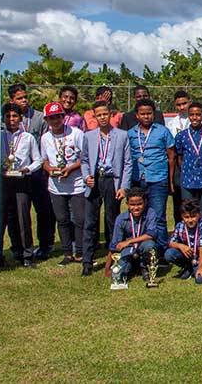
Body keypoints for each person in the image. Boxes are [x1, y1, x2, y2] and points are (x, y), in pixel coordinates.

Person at [80, 100, 132, 277]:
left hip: (112, 181)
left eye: (105, 114)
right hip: (95, 180)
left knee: (113, 222)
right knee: (90, 222)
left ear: (111, 114)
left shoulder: (122, 135)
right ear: (94, 116)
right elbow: (85, 160)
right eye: (98, 114)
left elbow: (127, 163)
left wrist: (124, 187)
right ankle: (87, 261)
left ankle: (115, 259)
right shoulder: (88, 136)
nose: (102, 117)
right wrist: (87, 175)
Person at [0, 104, 43, 270]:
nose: (11, 120)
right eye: (8, 116)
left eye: (14, 116)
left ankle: (27, 255)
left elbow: (38, 160)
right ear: (4, 118)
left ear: (20, 118)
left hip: (22, 181)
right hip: (2, 182)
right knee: (0, 220)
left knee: (23, 218)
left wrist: (27, 169)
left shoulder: (28, 138)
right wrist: (0, 170)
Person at [8, 83, 53, 259]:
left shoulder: (39, 118)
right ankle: (18, 248)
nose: (24, 100)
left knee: (43, 210)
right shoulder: (7, 119)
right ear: (12, 100)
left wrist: (42, 166)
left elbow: (46, 144)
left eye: (25, 97)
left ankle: (45, 245)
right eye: (19, 98)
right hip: (14, 177)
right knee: (17, 213)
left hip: (37, 173)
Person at [41, 101, 86, 266]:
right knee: (62, 219)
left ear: (64, 117)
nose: (55, 121)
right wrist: (49, 169)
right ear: (47, 120)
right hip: (56, 185)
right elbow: (43, 160)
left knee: (80, 219)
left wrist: (71, 168)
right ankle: (68, 253)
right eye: (51, 118)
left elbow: (85, 157)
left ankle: (80, 252)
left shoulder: (76, 133)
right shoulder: (45, 138)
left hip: (77, 183)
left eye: (58, 117)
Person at [128, 98, 176, 247]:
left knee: (158, 217)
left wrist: (170, 181)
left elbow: (171, 156)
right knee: (139, 215)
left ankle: (161, 252)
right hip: (137, 179)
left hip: (158, 179)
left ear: (153, 114)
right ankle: (141, 248)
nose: (146, 116)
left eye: (149, 113)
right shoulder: (130, 134)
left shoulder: (163, 131)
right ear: (137, 115)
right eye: (143, 114)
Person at [173, 101, 202, 230]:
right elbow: (179, 157)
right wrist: (187, 170)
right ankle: (189, 239)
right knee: (188, 211)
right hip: (187, 179)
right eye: (192, 114)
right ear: (188, 116)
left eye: (198, 114)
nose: (195, 118)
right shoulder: (181, 136)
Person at [165, 200, 202, 283]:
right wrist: (181, 246)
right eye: (186, 217)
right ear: (182, 216)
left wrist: (201, 267)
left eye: (193, 216)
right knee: (169, 254)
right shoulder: (180, 225)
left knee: (200, 280)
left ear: (199, 214)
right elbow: (170, 242)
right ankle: (189, 267)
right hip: (191, 257)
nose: (190, 220)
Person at [109, 187, 156, 281]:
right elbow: (114, 245)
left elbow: (151, 234)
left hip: (142, 247)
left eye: (139, 204)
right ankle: (128, 269)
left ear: (145, 203)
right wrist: (107, 269)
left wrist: (129, 241)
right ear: (127, 204)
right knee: (119, 275)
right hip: (128, 249)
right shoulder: (121, 219)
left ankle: (144, 267)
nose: (136, 207)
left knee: (149, 245)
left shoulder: (150, 213)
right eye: (132, 204)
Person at [166, 90, 192, 223]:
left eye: (184, 103)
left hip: (193, 164)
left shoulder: (197, 118)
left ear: (189, 102)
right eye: (178, 105)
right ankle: (178, 231)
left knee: (192, 202)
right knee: (177, 200)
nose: (182, 107)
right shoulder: (172, 123)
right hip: (178, 164)